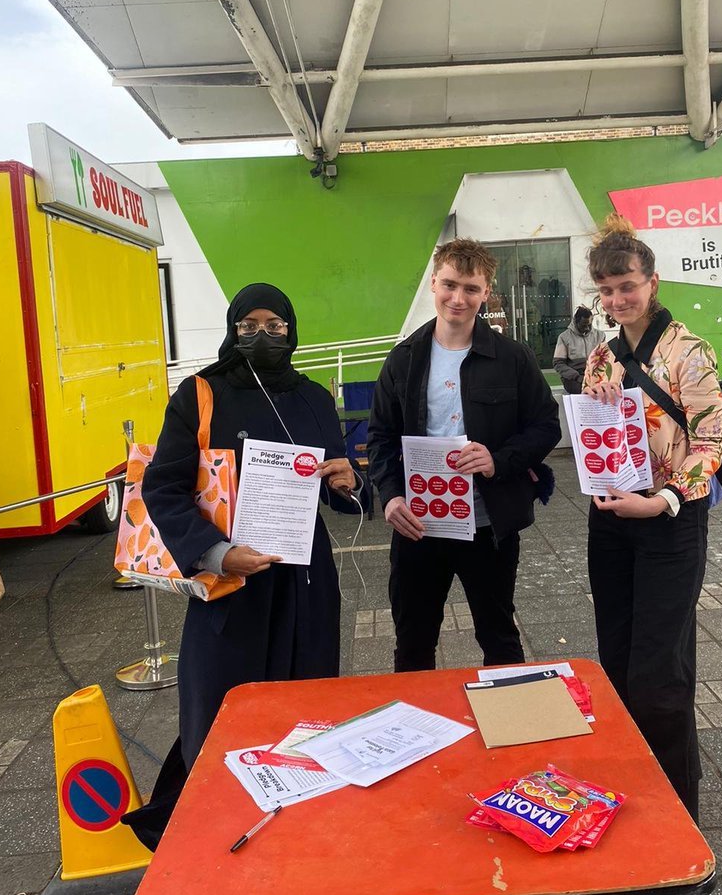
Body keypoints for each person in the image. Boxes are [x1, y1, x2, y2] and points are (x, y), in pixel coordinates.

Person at [141, 283, 363, 775]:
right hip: (231, 582)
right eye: (249, 326)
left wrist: (348, 483)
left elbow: (338, 487)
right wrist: (215, 553)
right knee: (222, 715)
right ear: (232, 330)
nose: (262, 335)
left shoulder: (313, 399)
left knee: (307, 711)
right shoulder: (200, 394)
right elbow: (162, 488)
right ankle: (213, 813)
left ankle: (302, 808)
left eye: (275, 326)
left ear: (291, 331)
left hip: (304, 579)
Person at [582, 215, 722, 822]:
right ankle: (629, 787)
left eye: (627, 286)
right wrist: (598, 473)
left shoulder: (690, 352)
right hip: (613, 520)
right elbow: (592, 431)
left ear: (653, 282)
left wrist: (662, 500)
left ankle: (676, 808)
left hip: (670, 518)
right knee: (614, 662)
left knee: (660, 672)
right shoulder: (600, 356)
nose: (618, 300)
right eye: (607, 291)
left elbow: (712, 444)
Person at [367, 238, 561, 672]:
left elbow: (546, 425)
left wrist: (499, 459)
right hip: (419, 525)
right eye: (449, 285)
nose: (458, 298)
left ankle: (510, 728)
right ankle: (419, 733)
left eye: (471, 289)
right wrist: (392, 496)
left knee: (499, 636)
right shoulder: (404, 359)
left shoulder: (512, 358)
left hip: (487, 526)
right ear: (433, 283)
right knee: (413, 643)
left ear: (486, 292)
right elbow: (380, 437)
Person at [552, 305, 599, 394]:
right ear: (575, 322)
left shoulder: (600, 336)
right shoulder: (564, 337)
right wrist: (576, 376)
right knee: (583, 390)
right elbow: (558, 363)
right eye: (583, 325)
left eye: (589, 325)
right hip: (573, 376)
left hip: (595, 374)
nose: (587, 328)